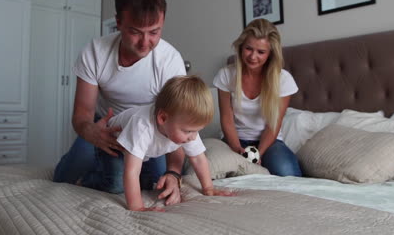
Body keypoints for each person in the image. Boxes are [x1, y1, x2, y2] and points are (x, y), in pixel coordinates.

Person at [53, 0, 187, 206]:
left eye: (154, 32)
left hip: (149, 128)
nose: (145, 43)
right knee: (63, 178)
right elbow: (81, 115)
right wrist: (92, 132)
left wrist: (174, 175)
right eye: (135, 32)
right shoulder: (95, 52)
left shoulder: (170, 62)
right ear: (118, 23)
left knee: (155, 183)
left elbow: (178, 126)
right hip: (105, 124)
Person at [81, 76, 234, 211]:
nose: (193, 137)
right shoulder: (142, 126)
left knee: (149, 184)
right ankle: (87, 179)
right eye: (188, 131)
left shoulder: (186, 127)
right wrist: (137, 207)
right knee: (116, 184)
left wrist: (208, 188)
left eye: (197, 131)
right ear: (162, 118)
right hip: (114, 147)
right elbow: (132, 171)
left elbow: (199, 159)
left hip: (146, 152)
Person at [213, 18, 302, 177]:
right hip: (234, 140)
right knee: (211, 170)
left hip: (269, 142)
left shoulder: (283, 80)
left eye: (261, 52)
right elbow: (227, 120)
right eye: (248, 49)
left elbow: (273, 125)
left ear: (270, 54)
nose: (253, 56)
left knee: (288, 173)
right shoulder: (226, 75)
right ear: (241, 47)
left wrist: (258, 153)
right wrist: (236, 148)